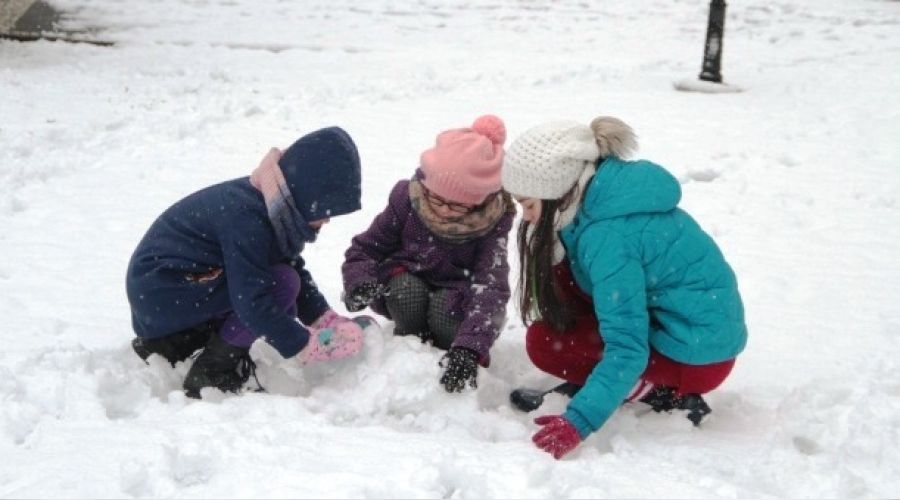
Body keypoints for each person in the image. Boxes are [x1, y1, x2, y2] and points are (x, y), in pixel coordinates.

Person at [501, 116, 747, 459]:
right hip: (672, 331)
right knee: (557, 303)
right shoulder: (594, 204)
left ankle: (662, 393)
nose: (525, 216)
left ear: (557, 190)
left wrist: (580, 420)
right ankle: (610, 384)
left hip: (696, 356)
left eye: (528, 204)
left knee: (547, 344)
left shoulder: (609, 237)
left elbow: (627, 347)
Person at [126, 126, 368, 398]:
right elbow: (252, 301)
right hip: (165, 292)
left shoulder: (270, 202)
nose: (327, 220)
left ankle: (181, 343)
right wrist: (306, 346)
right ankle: (212, 371)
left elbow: (288, 262)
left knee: (278, 286)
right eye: (326, 211)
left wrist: (324, 320)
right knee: (280, 287)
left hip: (173, 291)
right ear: (304, 197)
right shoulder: (247, 221)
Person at [342, 115, 514, 392]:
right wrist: (358, 282)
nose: (444, 210)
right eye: (437, 199)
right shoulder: (407, 200)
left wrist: (469, 349)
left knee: (446, 311)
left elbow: (490, 288)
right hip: (406, 283)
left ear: (480, 202)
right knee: (405, 290)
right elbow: (365, 249)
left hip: (456, 294)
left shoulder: (492, 222)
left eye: (457, 206)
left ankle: (449, 350)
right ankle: (409, 340)